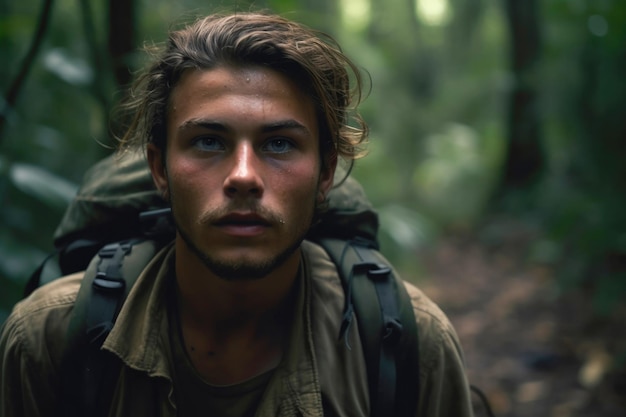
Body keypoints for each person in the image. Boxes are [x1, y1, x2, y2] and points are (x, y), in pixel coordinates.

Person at [0, 12, 474, 417]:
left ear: (325, 172)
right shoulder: (48, 338)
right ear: (159, 169)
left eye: (279, 143)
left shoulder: (413, 341)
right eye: (208, 141)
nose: (243, 176)